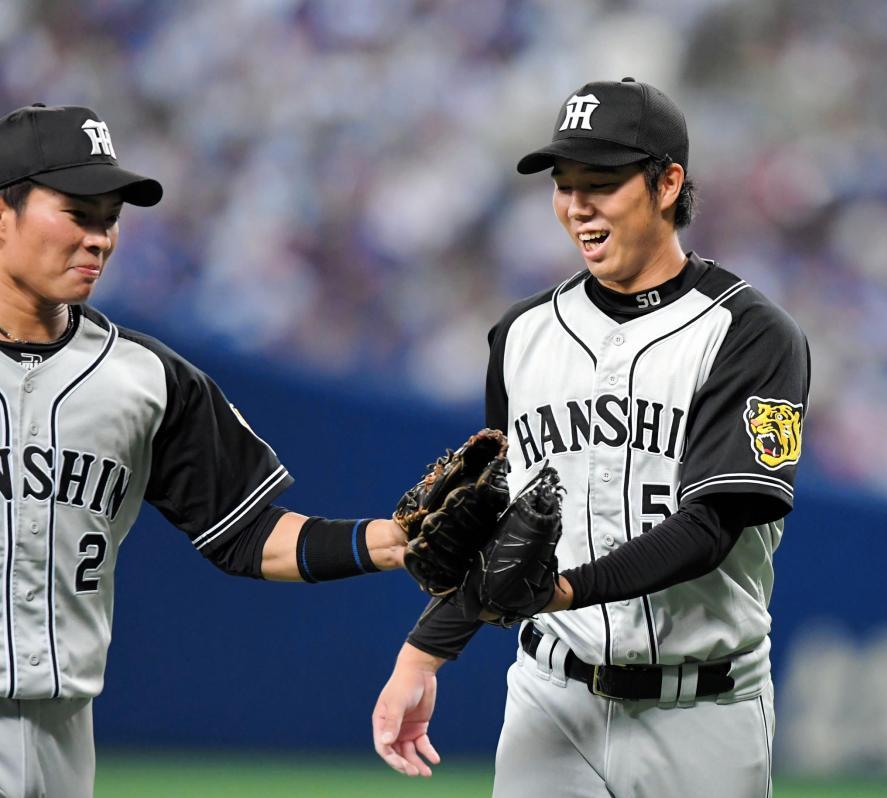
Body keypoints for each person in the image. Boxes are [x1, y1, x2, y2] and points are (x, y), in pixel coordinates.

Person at [372, 78, 810, 797]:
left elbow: (710, 527)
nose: (578, 206)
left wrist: (562, 590)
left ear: (668, 184)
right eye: (564, 184)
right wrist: (422, 654)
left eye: (602, 183)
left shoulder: (750, 334)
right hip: (550, 699)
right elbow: (489, 523)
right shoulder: (521, 335)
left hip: (704, 711)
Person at [0, 103, 408, 798]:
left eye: (109, 218)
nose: (100, 238)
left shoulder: (146, 378)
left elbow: (245, 533)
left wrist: (388, 541)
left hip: (65, 732)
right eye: (77, 213)